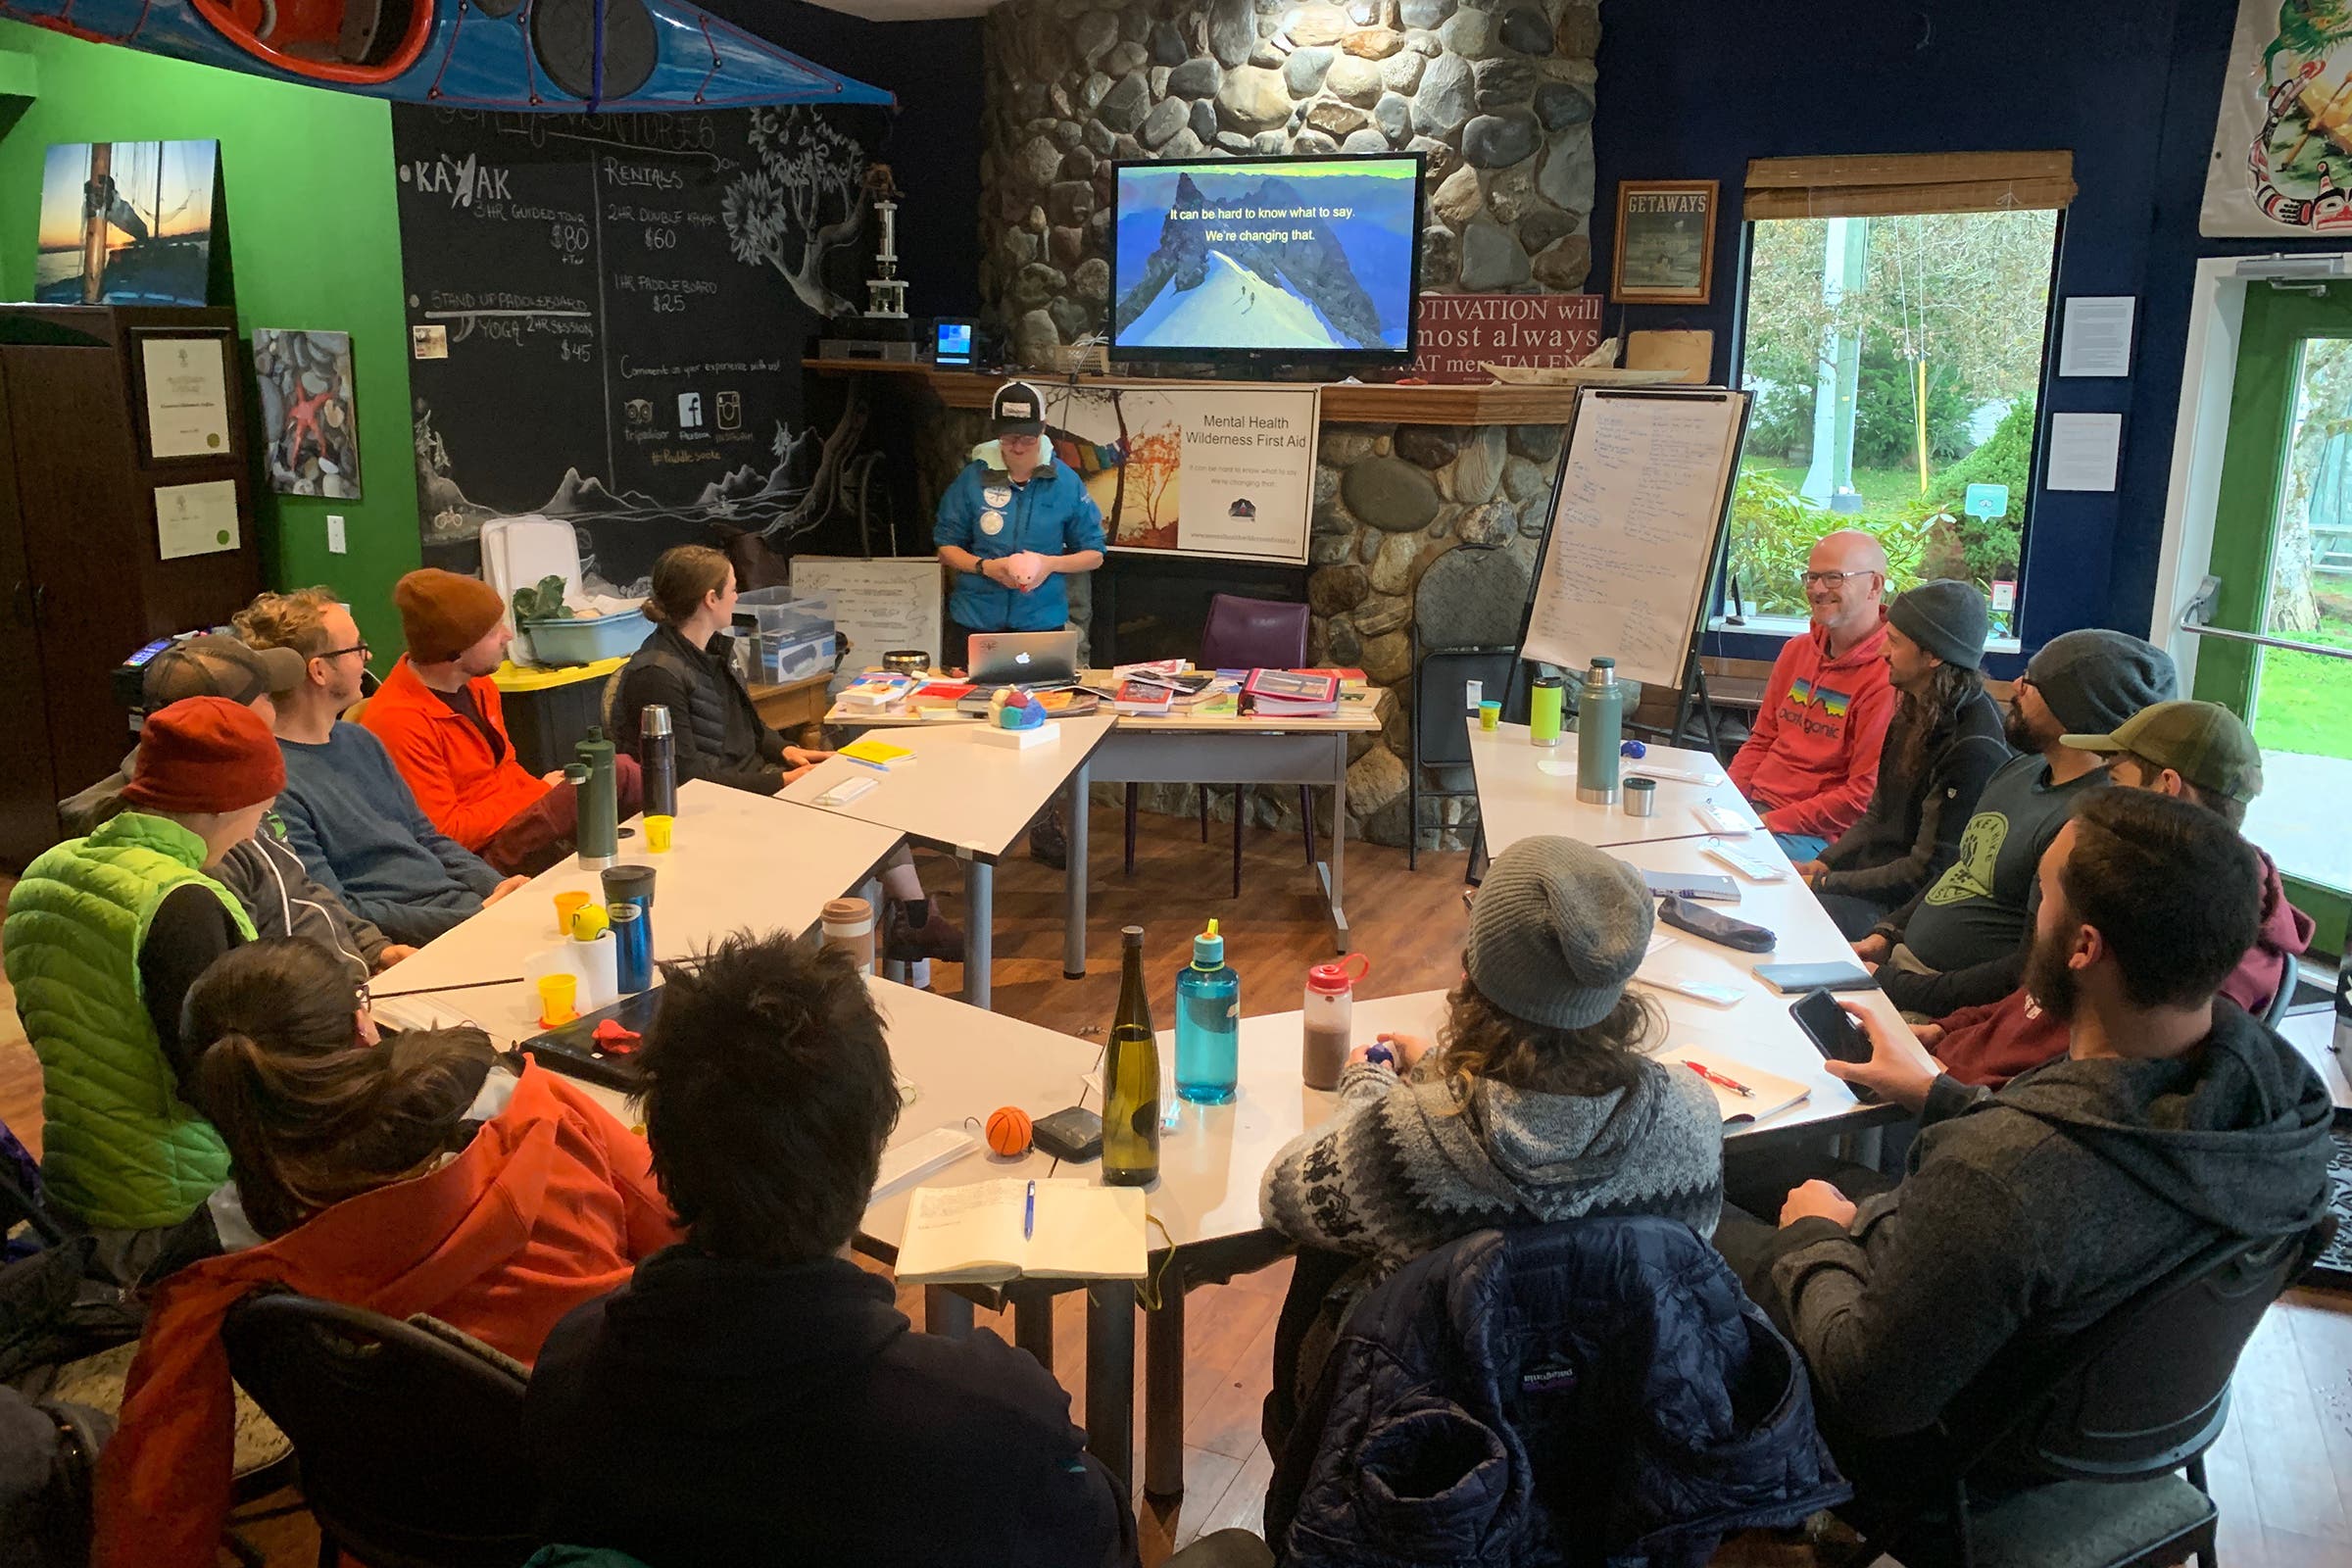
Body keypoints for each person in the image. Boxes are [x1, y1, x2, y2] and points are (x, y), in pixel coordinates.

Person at [1717, 790, 2332, 1497]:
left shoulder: (2000, 1178)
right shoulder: (2279, 1103)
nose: (2029, 920)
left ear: (2082, 946)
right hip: (2108, 1422)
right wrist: (1938, 1095)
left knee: (1681, 1217)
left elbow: (1871, 1394)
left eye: (2040, 899)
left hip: (1954, 1457)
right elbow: (2097, 1150)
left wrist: (1818, 1240)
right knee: (1780, 1162)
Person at [521, 931, 1142, 1567]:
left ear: (660, 1148)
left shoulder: (571, 1369)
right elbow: (1101, 1536)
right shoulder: (989, 1419)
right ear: (876, 1139)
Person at [90, 936, 681, 1568]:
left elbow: (158, 1492)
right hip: (608, 1486)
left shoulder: (219, 1261)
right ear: (363, 1028)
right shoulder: (533, 1110)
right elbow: (682, 1226)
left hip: (395, 1524)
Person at [1257, 836, 1724, 1444]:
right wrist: (1435, 1076)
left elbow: (1280, 1195)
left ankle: (1297, 1463)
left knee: (1330, 1249)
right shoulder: (1692, 1115)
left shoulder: (1407, 1139)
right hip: (1613, 1443)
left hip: (1430, 1448)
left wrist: (1372, 1087)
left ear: (1473, 970)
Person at [1924, 699, 2312, 1090]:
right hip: (1957, 1064)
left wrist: (1939, 1088)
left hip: (1983, 1104)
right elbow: (2036, 1000)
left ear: (2166, 787)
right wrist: (1944, 1030)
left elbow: (2094, 1093)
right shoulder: (2150, 886)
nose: (2104, 795)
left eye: (2116, 781)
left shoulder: (2198, 940)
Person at [2, 698, 282, 1233]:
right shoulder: (183, 904)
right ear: (225, 804)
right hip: (176, 1203)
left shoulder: (46, 872)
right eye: (261, 812)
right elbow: (219, 1084)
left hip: (74, 1181)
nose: (254, 834)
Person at [614, 546, 962, 964]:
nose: (738, 597)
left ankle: (912, 918)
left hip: (748, 781)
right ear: (710, 599)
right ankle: (898, 925)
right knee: (858, 814)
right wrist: (779, 780)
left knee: (869, 789)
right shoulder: (657, 675)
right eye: (732, 589)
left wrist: (789, 750)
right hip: (717, 805)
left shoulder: (711, 651)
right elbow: (686, 778)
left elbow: (751, 726)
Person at [1856, 628, 2176, 1019]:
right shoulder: (2021, 768)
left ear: (2076, 707)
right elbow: (1963, 868)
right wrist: (1887, 933)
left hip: (1948, 1011)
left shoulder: (2087, 823)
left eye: (2034, 681)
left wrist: (1895, 986)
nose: (2015, 685)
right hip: (1901, 972)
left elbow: (2025, 971)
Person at [59, 633, 415, 982]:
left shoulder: (235, 791)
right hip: (316, 1008)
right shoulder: (206, 832)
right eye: (265, 694)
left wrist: (373, 948)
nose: (277, 701)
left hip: (347, 981)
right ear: (227, 719)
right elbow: (253, 980)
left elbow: (299, 886)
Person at [234, 587, 528, 946]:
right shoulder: (277, 786)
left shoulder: (360, 741)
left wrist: (496, 887)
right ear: (320, 671)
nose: (368, 655)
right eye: (356, 648)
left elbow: (427, 837)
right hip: (415, 941)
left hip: (463, 911)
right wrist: (473, 918)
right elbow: (339, 909)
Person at [362, 567, 642, 876]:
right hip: (477, 859)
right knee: (613, 775)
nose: (507, 635)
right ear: (454, 650)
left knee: (615, 775)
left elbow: (505, 770)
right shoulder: (397, 721)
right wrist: (536, 795)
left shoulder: (479, 684)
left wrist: (540, 791)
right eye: (493, 631)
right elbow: (445, 832)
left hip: (514, 821)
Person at [933, 379, 1106, 868]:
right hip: (975, 623)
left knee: (1042, 729)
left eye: (1027, 436)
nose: (1018, 445)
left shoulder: (1066, 482)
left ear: (1043, 430)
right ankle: (969, 827)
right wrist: (988, 567)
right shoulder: (972, 479)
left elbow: (1095, 552)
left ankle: (1044, 826)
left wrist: (1049, 564)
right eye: (1010, 436)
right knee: (969, 725)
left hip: (1040, 626)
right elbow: (946, 545)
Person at [1791, 580, 2010, 939]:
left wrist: (1827, 882)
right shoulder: (1913, 705)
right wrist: (1824, 862)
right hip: (1871, 882)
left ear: (1934, 655)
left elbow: (1926, 871)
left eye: (1894, 641)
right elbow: (1878, 814)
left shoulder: (1973, 746)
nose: (1882, 653)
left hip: (1901, 911)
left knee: (1787, 918)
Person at [1727, 529, 1900, 859]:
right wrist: (1727, 802)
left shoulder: (1887, 674)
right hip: (1755, 812)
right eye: (1812, 577)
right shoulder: (1796, 652)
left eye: (1834, 578)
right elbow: (1762, 740)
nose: (1818, 589)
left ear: (1874, 585)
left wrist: (1765, 823)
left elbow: (1860, 797)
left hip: (1815, 836)